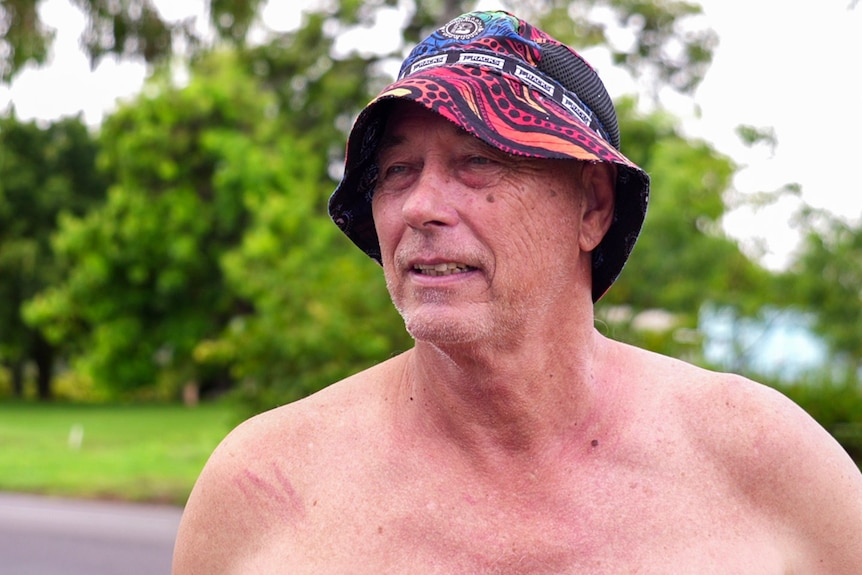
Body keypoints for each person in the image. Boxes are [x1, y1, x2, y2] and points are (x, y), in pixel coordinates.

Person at [172, 10, 862, 573]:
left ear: (591, 206)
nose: (421, 207)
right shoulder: (264, 487)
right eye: (397, 171)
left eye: (478, 162)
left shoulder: (763, 461)